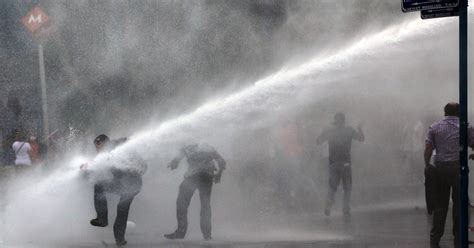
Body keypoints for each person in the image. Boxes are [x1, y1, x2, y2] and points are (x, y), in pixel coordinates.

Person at [81, 134, 146, 246]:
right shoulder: (108, 153)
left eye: (98, 147)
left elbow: (128, 143)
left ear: (103, 143)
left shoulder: (116, 148)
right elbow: (98, 164)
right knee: (121, 209)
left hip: (132, 184)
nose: (97, 150)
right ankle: (120, 240)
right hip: (125, 184)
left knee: (120, 207)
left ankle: (102, 219)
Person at [424, 103, 474, 248]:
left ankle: (435, 239)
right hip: (459, 169)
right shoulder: (466, 126)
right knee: (459, 205)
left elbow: (428, 149)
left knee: (440, 206)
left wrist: (427, 165)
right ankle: (458, 238)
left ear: (445, 112)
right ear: (459, 112)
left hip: (440, 170)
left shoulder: (434, 127)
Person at [164, 142, 226, 240]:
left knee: (182, 203)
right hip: (207, 176)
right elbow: (222, 161)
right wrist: (219, 174)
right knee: (205, 204)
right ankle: (207, 235)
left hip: (193, 176)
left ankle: (181, 233)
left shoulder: (187, 146)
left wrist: (173, 163)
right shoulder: (207, 146)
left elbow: (176, 160)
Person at [316, 113, 364, 217]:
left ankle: (328, 206)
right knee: (347, 187)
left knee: (332, 187)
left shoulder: (330, 131)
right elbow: (361, 138)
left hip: (333, 164)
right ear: (344, 121)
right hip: (346, 164)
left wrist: (323, 132)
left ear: (335, 121)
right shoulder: (349, 130)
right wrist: (359, 128)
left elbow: (318, 141)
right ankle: (345, 208)